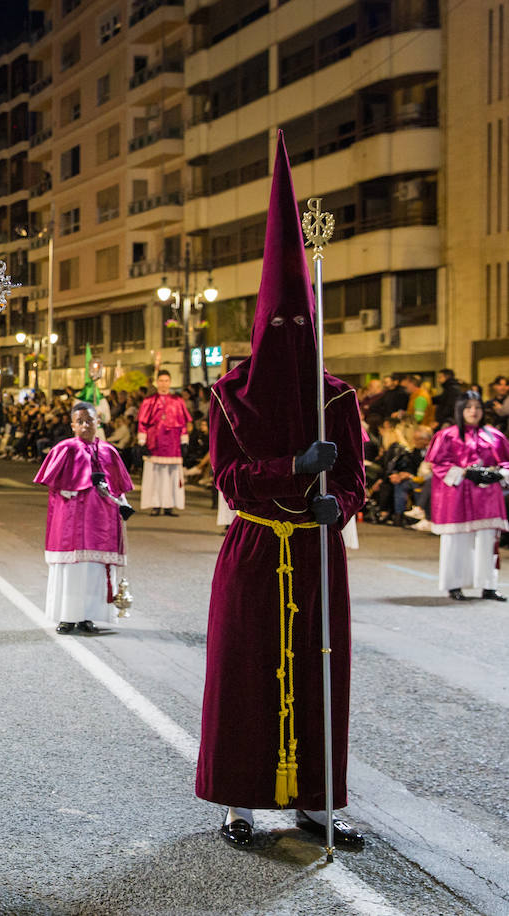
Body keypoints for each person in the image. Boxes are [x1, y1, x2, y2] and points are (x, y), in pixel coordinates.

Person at [197, 134, 365, 851]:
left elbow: (355, 477)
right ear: (262, 326)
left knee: (319, 674)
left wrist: (341, 504)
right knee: (245, 674)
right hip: (258, 546)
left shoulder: (336, 394)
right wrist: (293, 466)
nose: (292, 336)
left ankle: (318, 803)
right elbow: (229, 478)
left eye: (303, 326)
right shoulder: (232, 394)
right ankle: (239, 801)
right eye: (280, 325)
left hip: (318, 552)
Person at [34, 401, 133, 635]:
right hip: (70, 524)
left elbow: (119, 487)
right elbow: (56, 485)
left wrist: (124, 504)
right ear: (72, 426)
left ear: (98, 422)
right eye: (80, 421)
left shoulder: (109, 451)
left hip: (101, 526)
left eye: (90, 420)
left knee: (94, 571)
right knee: (71, 571)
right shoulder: (65, 450)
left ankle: (89, 616)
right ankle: (67, 617)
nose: (86, 425)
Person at [427, 391, 509, 600]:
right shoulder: (447, 435)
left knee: (488, 541)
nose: (474, 411)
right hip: (457, 496)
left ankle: (489, 585)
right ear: (460, 410)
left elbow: (506, 462)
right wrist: (464, 472)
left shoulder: (494, 436)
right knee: (456, 541)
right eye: (469, 407)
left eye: (478, 407)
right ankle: (454, 585)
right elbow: (437, 464)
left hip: (488, 497)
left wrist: (499, 473)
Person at [136, 371, 191, 516]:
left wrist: (184, 441)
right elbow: (142, 423)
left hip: (173, 443)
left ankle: (169, 505)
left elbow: (183, 424)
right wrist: (142, 442)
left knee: (171, 475)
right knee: (155, 475)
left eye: (166, 380)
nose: (164, 384)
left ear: (170, 382)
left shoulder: (178, 401)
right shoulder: (149, 401)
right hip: (155, 442)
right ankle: (155, 504)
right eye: (161, 380)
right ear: (157, 382)